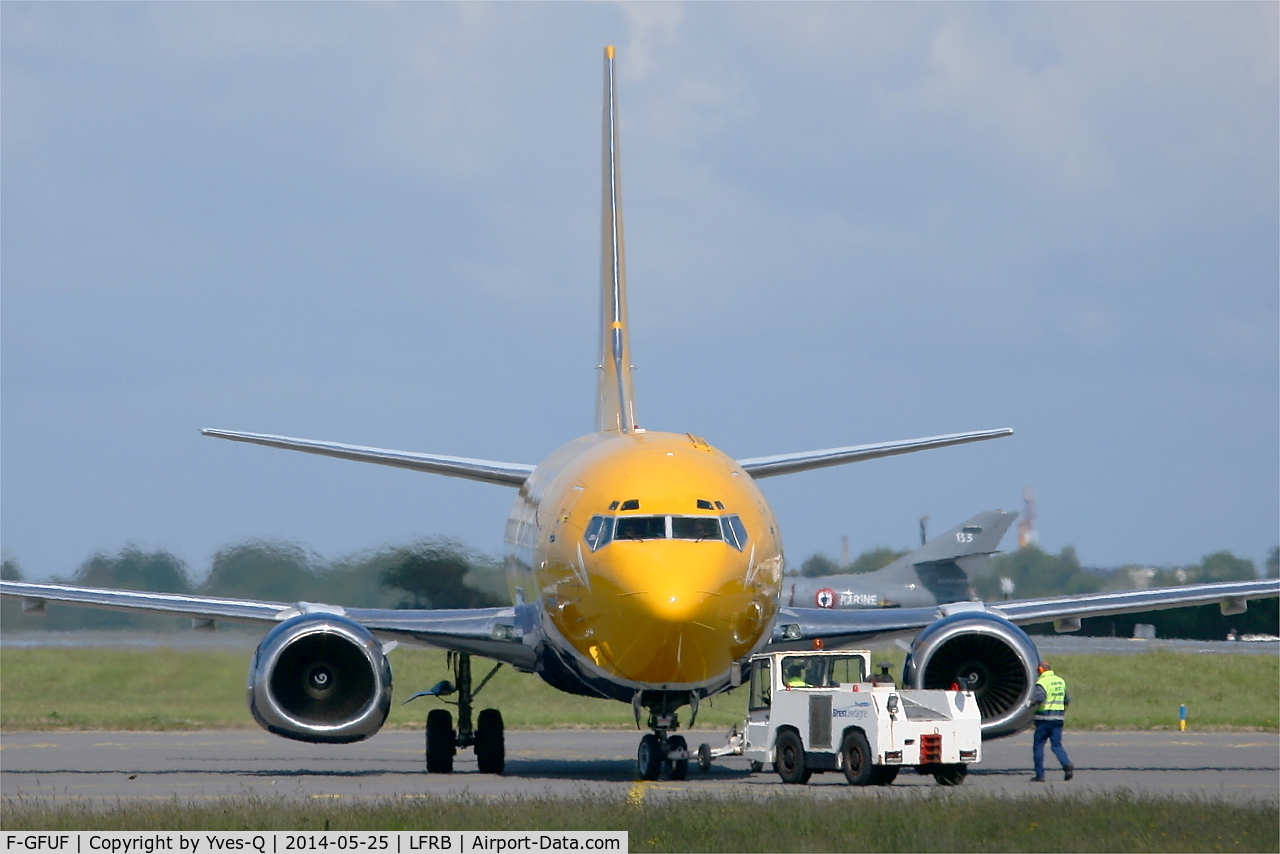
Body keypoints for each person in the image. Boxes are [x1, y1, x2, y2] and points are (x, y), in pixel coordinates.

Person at [1029, 660, 1074, 782]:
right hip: (1058, 718)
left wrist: (1031, 704)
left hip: (1044, 719)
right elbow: (1067, 700)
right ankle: (1066, 764)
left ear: (1041, 670)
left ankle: (1040, 774)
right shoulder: (1060, 681)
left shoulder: (1042, 682)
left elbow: (1040, 698)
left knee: (1038, 746)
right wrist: (1061, 712)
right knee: (1056, 745)